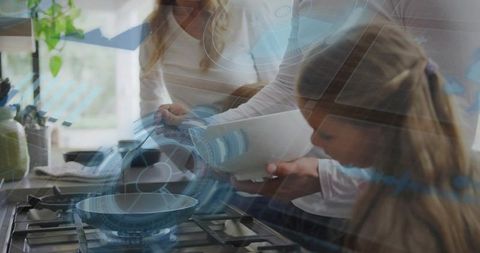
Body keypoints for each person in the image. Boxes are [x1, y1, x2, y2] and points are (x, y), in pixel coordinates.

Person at [159, 0, 480, 218]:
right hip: (306, 205)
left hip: (397, 218)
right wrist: (205, 128)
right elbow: (287, 89)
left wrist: (330, 179)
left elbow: (450, 137)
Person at [292, 23, 480, 253]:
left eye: (327, 134)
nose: (315, 142)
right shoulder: (451, 174)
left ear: (379, 129)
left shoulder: (401, 220)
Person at [139, 0, 292, 117]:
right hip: (190, 146)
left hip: (250, 142)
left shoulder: (245, 10)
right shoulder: (154, 26)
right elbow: (149, 101)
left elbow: (277, 89)